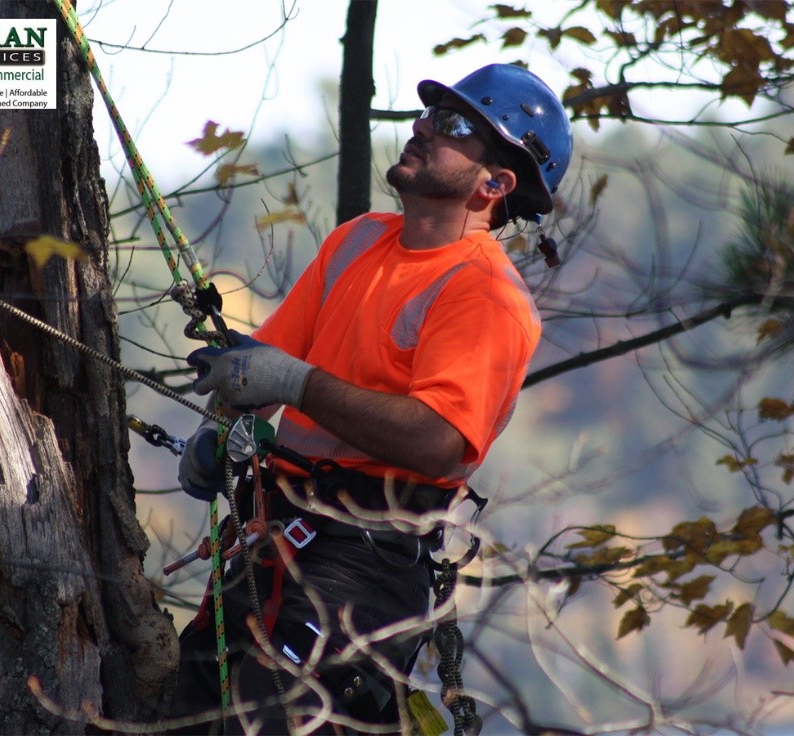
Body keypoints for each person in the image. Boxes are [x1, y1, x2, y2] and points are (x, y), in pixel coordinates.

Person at [170, 63, 573, 734]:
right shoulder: (357, 239)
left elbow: (437, 439)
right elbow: (256, 373)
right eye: (427, 115)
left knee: (270, 721)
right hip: (275, 529)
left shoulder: (487, 296)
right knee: (193, 710)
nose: (420, 129)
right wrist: (217, 430)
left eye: (451, 125)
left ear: (495, 182)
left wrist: (292, 385)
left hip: (364, 560)